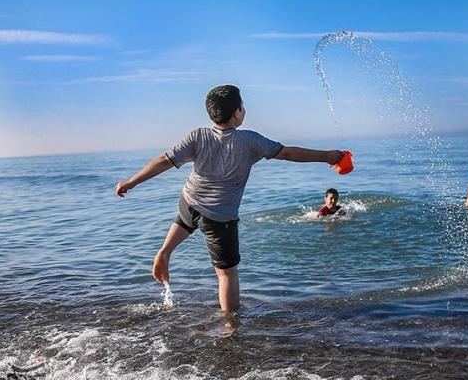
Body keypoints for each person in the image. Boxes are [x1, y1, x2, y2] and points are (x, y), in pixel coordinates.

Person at [114, 85, 345, 313]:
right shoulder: (249, 140)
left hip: (188, 200)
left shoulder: (198, 135)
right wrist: (327, 156)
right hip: (218, 217)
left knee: (185, 221)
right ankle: (231, 327)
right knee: (226, 274)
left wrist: (132, 181)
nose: (244, 108)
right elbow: (288, 153)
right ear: (237, 112)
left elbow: (165, 160)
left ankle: (164, 252)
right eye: (242, 105)